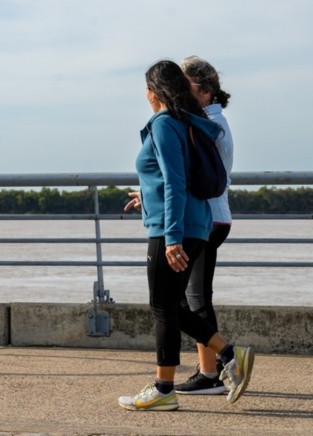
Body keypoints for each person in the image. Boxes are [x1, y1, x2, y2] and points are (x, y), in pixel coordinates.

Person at [117, 60, 253, 412]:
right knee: (173, 305)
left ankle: (164, 388)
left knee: (163, 306)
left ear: (153, 91)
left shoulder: (164, 123)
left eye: (145, 88)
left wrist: (173, 238)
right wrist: (147, 197)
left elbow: (176, 183)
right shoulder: (187, 121)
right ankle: (229, 355)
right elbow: (173, 180)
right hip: (192, 224)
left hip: (171, 228)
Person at [173, 56, 235, 395]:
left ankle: (213, 371)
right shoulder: (211, 120)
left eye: (188, 87)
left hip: (207, 219)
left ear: (207, 92)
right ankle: (213, 367)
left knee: (192, 300)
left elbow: (194, 176)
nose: (181, 93)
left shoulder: (209, 126)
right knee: (194, 297)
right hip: (214, 216)